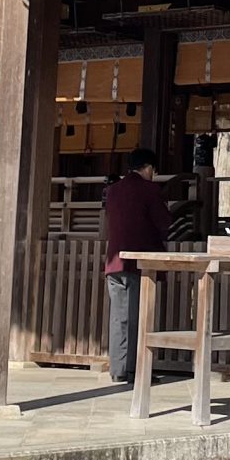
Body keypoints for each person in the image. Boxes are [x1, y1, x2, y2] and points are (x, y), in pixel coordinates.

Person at [101, 148, 169, 386]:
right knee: (136, 317)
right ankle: (135, 370)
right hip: (139, 262)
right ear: (148, 168)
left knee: (119, 318)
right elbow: (164, 222)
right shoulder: (149, 190)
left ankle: (118, 368)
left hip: (114, 262)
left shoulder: (113, 191)